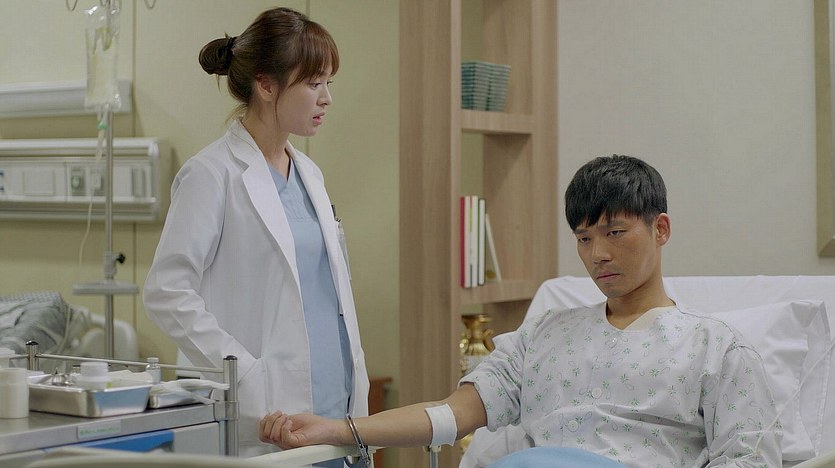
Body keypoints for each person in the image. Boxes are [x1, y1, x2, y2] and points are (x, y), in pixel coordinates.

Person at [258, 155, 782, 467]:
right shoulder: (543, 336)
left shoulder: (717, 350)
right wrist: (336, 430)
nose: (598, 254)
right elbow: (450, 415)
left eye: (615, 233)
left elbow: (749, 458)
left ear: (660, 229)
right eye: (584, 238)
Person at [142, 7, 369, 462]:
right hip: (267, 413)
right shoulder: (211, 175)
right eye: (314, 83)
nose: (327, 98)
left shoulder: (309, 175)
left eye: (329, 83)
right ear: (266, 85)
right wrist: (244, 375)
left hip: (337, 409)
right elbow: (167, 292)